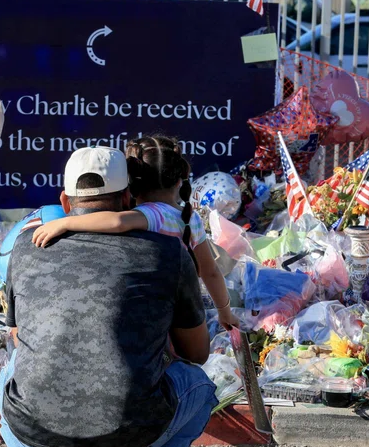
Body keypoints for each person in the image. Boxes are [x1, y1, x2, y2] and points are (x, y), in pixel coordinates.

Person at [0, 146, 217, 447]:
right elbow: (197, 353)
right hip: (132, 434)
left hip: (35, 431)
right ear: (128, 197)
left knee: (13, 368)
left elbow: (21, 336)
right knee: (199, 386)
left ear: (64, 201)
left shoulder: (26, 245)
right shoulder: (169, 252)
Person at [32, 136, 239, 330]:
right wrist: (225, 312)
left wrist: (65, 222)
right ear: (179, 181)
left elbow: (117, 221)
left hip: (151, 311)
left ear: (130, 186)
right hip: (181, 310)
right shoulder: (190, 218)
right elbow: (211, 271)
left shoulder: (152, 215)